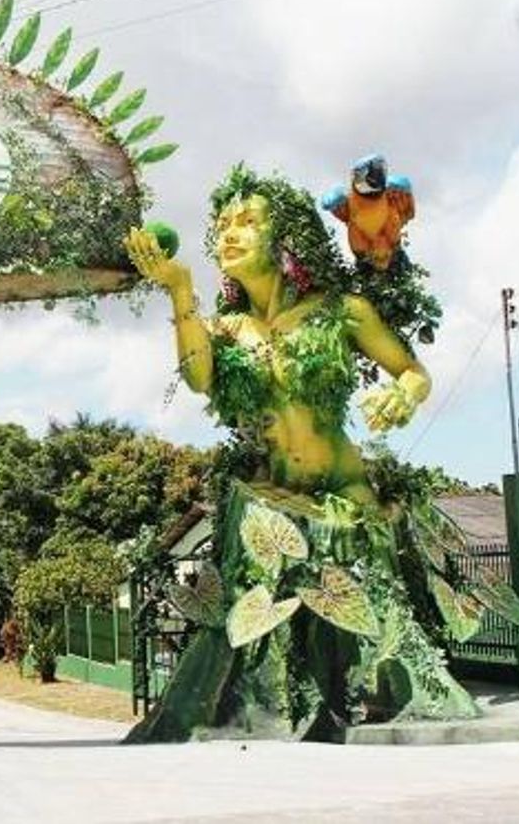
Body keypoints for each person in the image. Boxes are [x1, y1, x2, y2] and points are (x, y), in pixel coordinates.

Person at [121, 165, 479, 743]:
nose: (229, 233)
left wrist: (403, 395)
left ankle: (362, 705)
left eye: (247, 221)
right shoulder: (228, 327)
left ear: (285, 234)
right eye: (222, 225)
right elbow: (197, 378)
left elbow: (413, 371)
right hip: (273, 500)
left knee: (368, 625)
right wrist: (180, 290)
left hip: (345, 496)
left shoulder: (342, 311)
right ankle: (279, 707)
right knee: (272, 618)